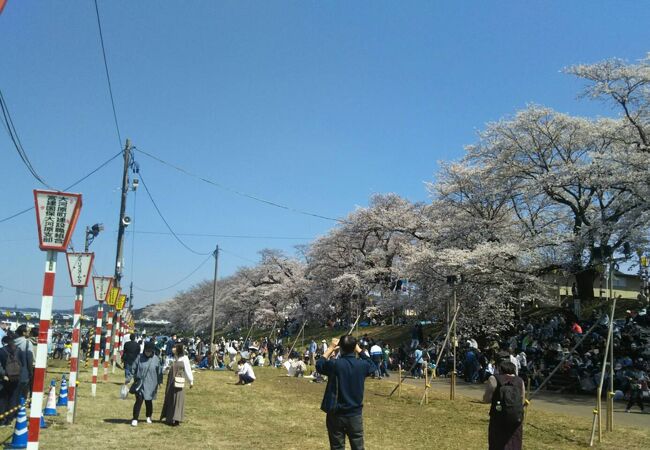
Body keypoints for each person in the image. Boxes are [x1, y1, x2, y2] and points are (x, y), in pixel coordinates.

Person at [316, 335, 375, 450]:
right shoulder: (362, 365)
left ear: (340, 348)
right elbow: (373, 366)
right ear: (354, 348)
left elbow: (319, 365)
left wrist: (330, 348)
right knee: (358, 446)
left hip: (336, 413)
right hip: (355, 413)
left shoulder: (335, 364)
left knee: (337, 446)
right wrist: (359, 350)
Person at [483, 360, 525, 450]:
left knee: (497, 443)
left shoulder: (494, 379)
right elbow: (522, 400)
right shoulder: (520, 381)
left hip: (498, 417)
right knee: (514, 443)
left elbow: (486, 399)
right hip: (515, 418)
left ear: (500, 369)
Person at [160, 343, 194, 426]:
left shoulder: (184, 358)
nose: (173, 349)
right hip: (171, 380)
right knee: (170, 398)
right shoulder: (171, 358)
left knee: (178, 398)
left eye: (175, 347)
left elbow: (187, 370)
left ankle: (177, 419)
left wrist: (191, 381)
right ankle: (169, 417)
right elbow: (164, 370)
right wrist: (166, 368)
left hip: (179, 381)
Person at [131, 341, 163, 427]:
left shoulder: (156, 359)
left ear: (152, 351)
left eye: (149, 351)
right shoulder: (139, 357)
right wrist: (132, 377)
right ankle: (135, 418)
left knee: (148, 401)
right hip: (140, 383)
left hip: (151, 383)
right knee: (139, 401)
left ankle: (149, 416)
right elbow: (133, 367)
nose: (147, 353)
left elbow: (159, 371)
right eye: (146, 351)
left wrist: (160, 382)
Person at [0, 334, 23, 425]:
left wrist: (3, 375)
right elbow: (21, 364)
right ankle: (10, 418)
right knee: (13, 397)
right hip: (16, 377)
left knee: (3, 399)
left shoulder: (1, 351)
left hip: (4, 378)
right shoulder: (19, 350)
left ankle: (2, 419)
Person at [13, 325, 33, 400]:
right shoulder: (27, 343)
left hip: (10, 372)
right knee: (22, 395)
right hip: (24, 373)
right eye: (28, 331)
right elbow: (29, 359)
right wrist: (31, 372)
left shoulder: (12, 342)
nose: (29, 333)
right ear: (24, 333)